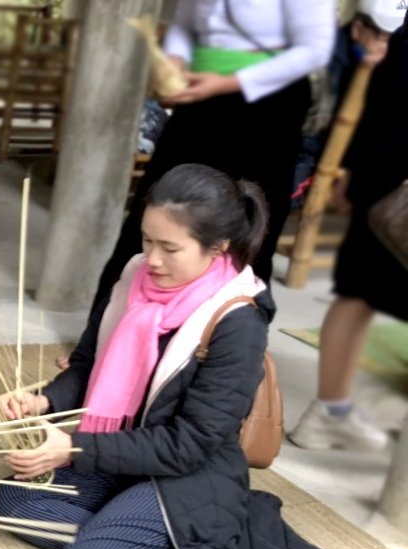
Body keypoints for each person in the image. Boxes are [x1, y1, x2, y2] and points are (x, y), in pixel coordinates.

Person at [0, 164, 369, 549]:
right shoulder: (134, 280)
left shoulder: (237, 322)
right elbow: (89, 363)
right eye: (147, 240)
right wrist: (46, 401)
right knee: (13, 499)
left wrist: (72, 447)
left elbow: (190, 443)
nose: (153, 259)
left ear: (218, 248)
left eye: (170, 248)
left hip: (190, 476)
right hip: (124, 452)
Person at [85, 0, 336, 321]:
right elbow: (185, 26)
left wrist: (230, 82)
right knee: (158, 206)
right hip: (200, 98)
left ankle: (228, 340)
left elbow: (314, 50)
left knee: (251, 222)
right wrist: (175, 60)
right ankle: (106, 333)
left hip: (267, 104)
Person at [288, 10, 406, 452]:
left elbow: (380, 100)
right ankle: (329, 413)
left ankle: (329, 412)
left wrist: (352, 170)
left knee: (356, 296)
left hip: (380, 179)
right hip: (389, 187)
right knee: (357, 295)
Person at [291, 0, 398, 209]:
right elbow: (309, 133)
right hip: (302, 155)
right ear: (357, 28)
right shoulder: (323, 58)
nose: (384, 49)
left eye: (392, 40)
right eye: (381, 37)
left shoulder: (384, 65)